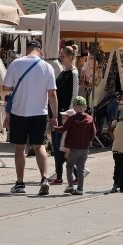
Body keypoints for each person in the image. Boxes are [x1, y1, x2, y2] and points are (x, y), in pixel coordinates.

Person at [2, 41, 59, 196]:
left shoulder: (16, 63)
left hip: (19, 112)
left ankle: (20, 183)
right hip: (40, 113)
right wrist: (54, 116)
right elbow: (52, 94)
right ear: (40, 51)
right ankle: (44, 179)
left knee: (20, 148)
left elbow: (5, 88)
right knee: (39, 146)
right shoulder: (47, 67)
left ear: (27, 50)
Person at [50, 45, 79, 186]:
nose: (60, 58)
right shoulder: (63, 72)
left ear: (70, 57)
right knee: (57, 147)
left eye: (63, 56)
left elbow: (74, 94)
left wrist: (68, 114)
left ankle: (75, 173)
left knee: (61, 146)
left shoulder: (73, 73)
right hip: (58, 114)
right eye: (60, 56)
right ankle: (61, 176)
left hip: (65, 115)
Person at [55, 96, 96, 195]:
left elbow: (64, 129)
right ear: (85, 107)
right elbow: (94, 133)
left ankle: (70, 186)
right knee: (81, 168)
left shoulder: (72, 118)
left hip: (74, 147)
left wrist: (55, 128)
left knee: (69, 166)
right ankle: (80, 189)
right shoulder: (90, 118)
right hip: (85, 148)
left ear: (74, 107)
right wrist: (87, 141)